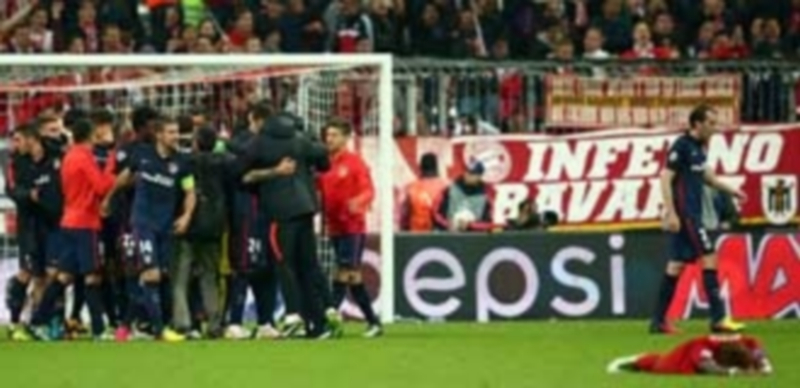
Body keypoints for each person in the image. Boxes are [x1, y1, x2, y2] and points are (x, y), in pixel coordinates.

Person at [651, 105, 747, 334]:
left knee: (676, 265)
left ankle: (657, 322)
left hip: (689, 215)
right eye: (711, 123)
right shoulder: (682, 146)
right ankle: (718, 318)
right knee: (710, 256)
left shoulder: (698, 148)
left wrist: (731, 190)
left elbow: (707, 177)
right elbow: (665, 178)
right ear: (697, 124)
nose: (715, 128)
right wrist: (672, 213)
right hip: (687, 216)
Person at [240, 112, 334, 338]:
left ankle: (294, 316)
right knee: (308, 266)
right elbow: (323, 159)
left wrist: (269, 173)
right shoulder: (300, 141)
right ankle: (321, 319)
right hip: (305, 209)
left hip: (280, 212)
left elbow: (241, 174)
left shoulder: (259, 144)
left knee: (285, 264)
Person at [28, 118, 116, 341]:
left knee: (64, 276)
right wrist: (111, 166)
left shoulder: (68, 156)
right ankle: (98, 330)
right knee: (91, 276)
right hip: (85, 223)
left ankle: (37, 322)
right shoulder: (84, 158)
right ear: (91, 136)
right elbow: (101, 186)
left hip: (69, 220)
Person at [110, 118, 196, 342]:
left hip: (166, 226)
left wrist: (186, 216)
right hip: (143, 222)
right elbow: (124, 177)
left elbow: (190, 192)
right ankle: (160, 330)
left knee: (157, 277)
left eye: (176, 132)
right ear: (159, 135)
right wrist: (109, 198)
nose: (175, 136)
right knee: (152, 274)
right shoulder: (142, 154)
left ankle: (125, 326)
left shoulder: (182, 162)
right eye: (170, 132)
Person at [225, 101, 286, 340]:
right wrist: (273, 171)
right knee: (245, 265)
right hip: (246, 211)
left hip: (269, 211)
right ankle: (234, 322)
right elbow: (241, 177)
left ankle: (265, 322)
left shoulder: (272, 145)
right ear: (255, 120)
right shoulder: (239, 142)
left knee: (268, 268)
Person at [319, 118, 382, 338]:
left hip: (353, 226)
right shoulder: (324, 163)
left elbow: (369, 191)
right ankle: (374, 322)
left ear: (346, 138)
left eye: (334, 135)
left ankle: (330, 320)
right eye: (327, 135)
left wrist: (358, 202)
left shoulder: (355, 163)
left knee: (343, 271)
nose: (329, 139)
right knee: (353, 276)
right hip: (334, 227)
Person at [171, 126, 229, 338]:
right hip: (214, 226)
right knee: (209, 277)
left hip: (189, 225)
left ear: (196, 142)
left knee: (181, 276)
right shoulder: (224, 163)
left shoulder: (186, 162)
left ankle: (183, 323)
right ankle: (214, 325)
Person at [5, 124, 38, 341]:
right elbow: (12, 190)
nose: (14, 145)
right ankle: (14, 321)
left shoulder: (40, 159)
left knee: (45, 275)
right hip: (28, 225)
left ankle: (36, 321)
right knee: (27, 271)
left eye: (18, 140)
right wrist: (29, 195)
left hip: (48, 224)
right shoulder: (14, 163)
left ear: (29, 139)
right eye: (13, 140)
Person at [607, 334, 773, 376]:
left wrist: (764, 363)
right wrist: (731, 373)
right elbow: (705, 365)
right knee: (657, 363)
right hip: (678, 361)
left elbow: (755, 344)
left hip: (696, 357)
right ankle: (631, 359)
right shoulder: (702, 346)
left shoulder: (740, 340)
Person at [433, 161, 494, 232]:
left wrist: (469, 225)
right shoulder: (450, 189)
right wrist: (449, 224)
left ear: (479, 176)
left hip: (473, 239)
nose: (468, 175)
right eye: (467, 171)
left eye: (472, 174)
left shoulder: (486, 197)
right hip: (449, 235)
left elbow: (488, 223)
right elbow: (436, 213)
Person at [400, 153, 448, 232]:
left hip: (416, 237)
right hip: (443, 238)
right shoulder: (447, 187)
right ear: (436, 167)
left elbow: (403, 219)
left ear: (420, 168)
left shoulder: (410, 188)